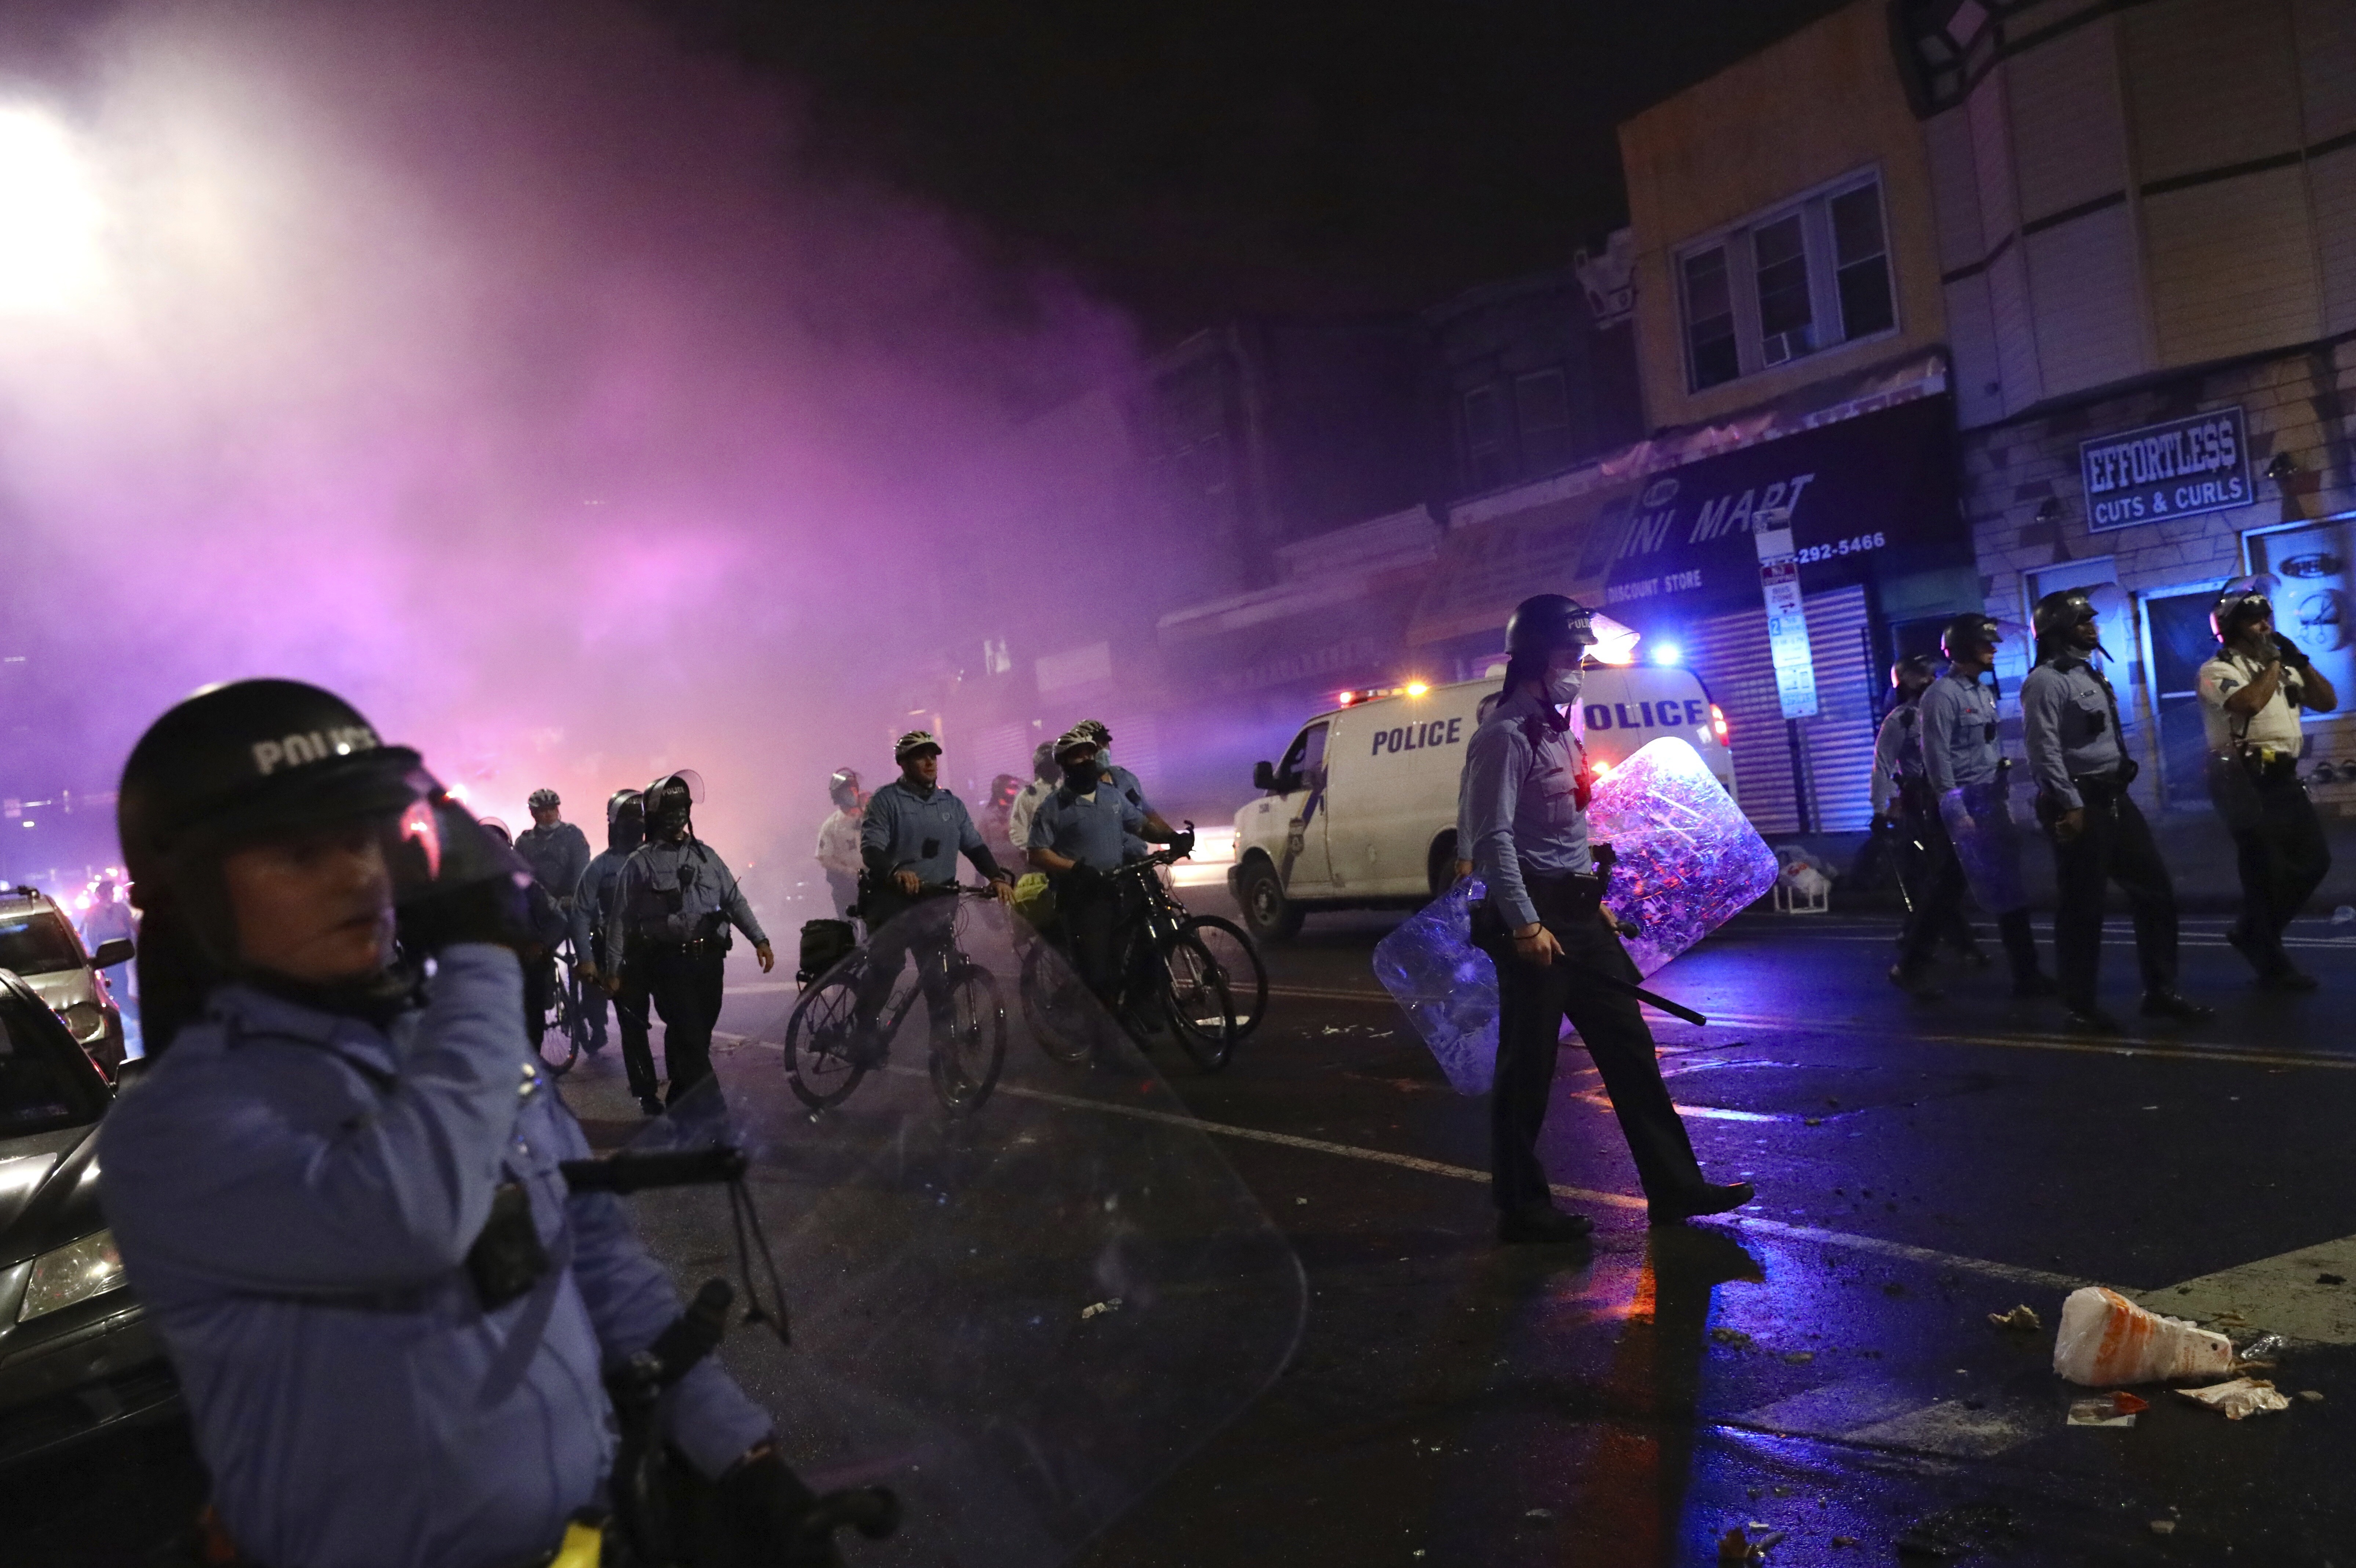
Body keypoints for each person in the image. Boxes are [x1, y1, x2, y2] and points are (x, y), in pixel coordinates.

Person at [94, 679, 828, 1568]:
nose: (358, 874)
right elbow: (409, 1215)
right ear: (193, 895)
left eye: (365, 838)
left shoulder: (441, 1046)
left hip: (598, 1538)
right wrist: (480, 958)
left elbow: (594, 1257)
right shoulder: (178, 1123)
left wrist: (740, 1452)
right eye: (299, 853)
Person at [1462, 594, 1753, 1243]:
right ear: (1535, 657)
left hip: (1580, 917)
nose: (1578, 667)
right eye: (1570, 655)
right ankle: (1520, 1208)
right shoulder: (1501, 738)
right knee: (1528, 1068)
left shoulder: (1559, 730)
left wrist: (1596, 899)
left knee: (1630, 1051)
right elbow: (1491, 839)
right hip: (1535, 923)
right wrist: (1523, 924)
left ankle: (1675, 1187)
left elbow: (1565, 828)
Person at [2021, 589, 2212, 1033]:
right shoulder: (2046, 681)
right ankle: (2080, 1006)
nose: (2093, 627)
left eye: (2092, 620)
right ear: (2055, 631)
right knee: (2083, 906)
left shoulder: (2088, 671)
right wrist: (2069, 804)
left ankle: (2160, 992)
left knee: (2156, 891)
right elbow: (2043, 749)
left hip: (2112, 798)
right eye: (2082, 621)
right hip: (2078, 801)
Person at [1890, 617, 2053, 1000]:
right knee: (1948, 889)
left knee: (2003, 886)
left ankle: (2027, 975)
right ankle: (1910, 965)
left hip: (1988, 799)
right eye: (1985, 645)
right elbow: (1937, 757)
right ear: (1964, 648)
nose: (1993, 650)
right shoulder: (1941, 695)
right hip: (1962, 803)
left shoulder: (1983, 692)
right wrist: (1954, 809)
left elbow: (1988, 748)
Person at [606, 771, 776, 1107]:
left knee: (697, 1037)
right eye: (670, 810)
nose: (679, 816)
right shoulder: (639, 864)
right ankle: (715, 1117)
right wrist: (613, 970)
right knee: (691, 1039)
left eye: (683, 807)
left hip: (710, 962)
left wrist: (760, 939)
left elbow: (733, 899)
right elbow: (620, 920)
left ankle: (680, 1106)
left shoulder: (707, 856)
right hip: (669, 964)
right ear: (654, 817)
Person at [2199, 578, 2337, 988]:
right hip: (2244, 780)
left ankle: (2253, 932)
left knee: (2315, 862)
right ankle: (2271, 961)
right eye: (2254, 620)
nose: (2264, 626)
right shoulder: (2217, 670)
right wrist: (2276, 663)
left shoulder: (2282, 664)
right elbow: (2248, 704)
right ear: (2230, 627)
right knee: (2265, 872)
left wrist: (2302, 661)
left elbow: (2327, 701)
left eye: (2266, 617)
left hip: (2283, 776)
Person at [853, 732, 1013, 1057]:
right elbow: (872, 849)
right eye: (919, 756)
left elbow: (974, 845)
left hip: (936, 905)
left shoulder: (950, 804)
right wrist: (896, 872)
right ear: (902, 763)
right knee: (887, 967)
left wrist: (996, 877)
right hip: (892, 904)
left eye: (933, 756)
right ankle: (864, 1028)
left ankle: (948, 1064)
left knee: (940, 985)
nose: (929, 762)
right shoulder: (886, 800)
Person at [1027, 728, 1186, 1004]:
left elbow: (1141, 826)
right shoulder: (1053, 807)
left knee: (1148, 944)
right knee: (1098, 976)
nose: (1088, 760)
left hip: (1118, 889)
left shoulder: (1112, 796)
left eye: (1090, 753)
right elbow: (1037, 853)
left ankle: (1140, 1008)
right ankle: (1102, 1036)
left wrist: (1172, 838)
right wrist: (1075, 868)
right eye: (1078, 756)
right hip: (1082, 898)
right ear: (1064, 764)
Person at [1869, 654, 1981, 966]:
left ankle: (1920, 933)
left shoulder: (1944, 710)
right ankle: (1954, 943)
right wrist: (1880, 809)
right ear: (1904, 681)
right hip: (1920, 803)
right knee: (1937, 873)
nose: (1930, 679)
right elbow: (1882, 766)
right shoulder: (1900, 720)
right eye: (1921, 675)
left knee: (1950, 873)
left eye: (1932, 673)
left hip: (1953, 796)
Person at [573, 789, 652, 1083]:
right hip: (619, 953)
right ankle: (645, 1091)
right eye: (629, 819)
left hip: (659, 951)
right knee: (633, 1025)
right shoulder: (600, 868)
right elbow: (581, 913)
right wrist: (587, 959)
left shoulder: (659, 857)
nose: (636, 825)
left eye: (640, 818)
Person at [514, 789, 591, 1051]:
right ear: (533, 814)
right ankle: (545, 994)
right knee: (538, 952)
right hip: (543, 910)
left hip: (572, 904)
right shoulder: (524, 842)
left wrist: (572, 895)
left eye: (552, 809)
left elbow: (582, 868)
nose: (548, 815)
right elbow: (522, 874)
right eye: (542, 811)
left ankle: (594, 1006)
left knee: (587, 952)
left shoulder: (572, 835)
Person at [1073, 719, 1175, 839]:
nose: (1103, 751)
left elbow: (1148, 813)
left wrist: (1174, 837)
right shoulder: (1079, 789)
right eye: (1096, 747)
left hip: (1140, 855)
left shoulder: (1125, 778)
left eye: (1105, 744)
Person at [814, 768, 866, 920]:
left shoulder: (871, 816)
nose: (852, 794)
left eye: (854, 789)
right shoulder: (831, 826)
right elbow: (825, 858)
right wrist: (850, 872)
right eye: (847, 791)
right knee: (850, 930)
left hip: (875, 886)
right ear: (837, 795)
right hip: (847, 889)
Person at [1005, 741, 1058, 865]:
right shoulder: (1027, 797)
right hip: (1042, 863)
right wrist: (1038, 852)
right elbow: (1018, 832)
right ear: (1040, 768)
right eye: (1049, 766)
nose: (1055, 769)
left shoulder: (1067, 790)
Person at [979, 772, 1025, 871]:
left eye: (1015, 787)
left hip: (1020, 863)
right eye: (1010, 787)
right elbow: (983, 844)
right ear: (1000, 790)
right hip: (999, 866)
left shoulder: (1020, 810)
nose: (1014, 791)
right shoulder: (987, 816)